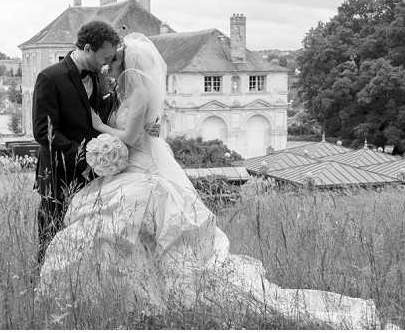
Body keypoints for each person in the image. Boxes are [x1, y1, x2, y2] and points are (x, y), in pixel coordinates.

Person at [37, 33, 381, 329]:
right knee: (120, 234)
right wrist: (110, 141)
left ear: (124, 61)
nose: (108, 66)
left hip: (141, 169)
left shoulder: (132, 89)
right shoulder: (113, 88)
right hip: (118, 166)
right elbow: (64, 128)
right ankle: (120, 295)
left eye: (114, 60)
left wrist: (103, 131)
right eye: (107, 59)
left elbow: (128, 132)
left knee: (134, 230)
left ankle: (143, 297)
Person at [32, 21, 159, 266]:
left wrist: (143, 126)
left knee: (86, 246)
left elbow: (112, 119)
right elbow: (43, 131)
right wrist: (84, 158)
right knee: (52, 238)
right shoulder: (50, 77)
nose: (107, 63)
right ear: (88, 48)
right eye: (105, 57)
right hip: (60, 174)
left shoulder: (102, 80)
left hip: (99, 176)